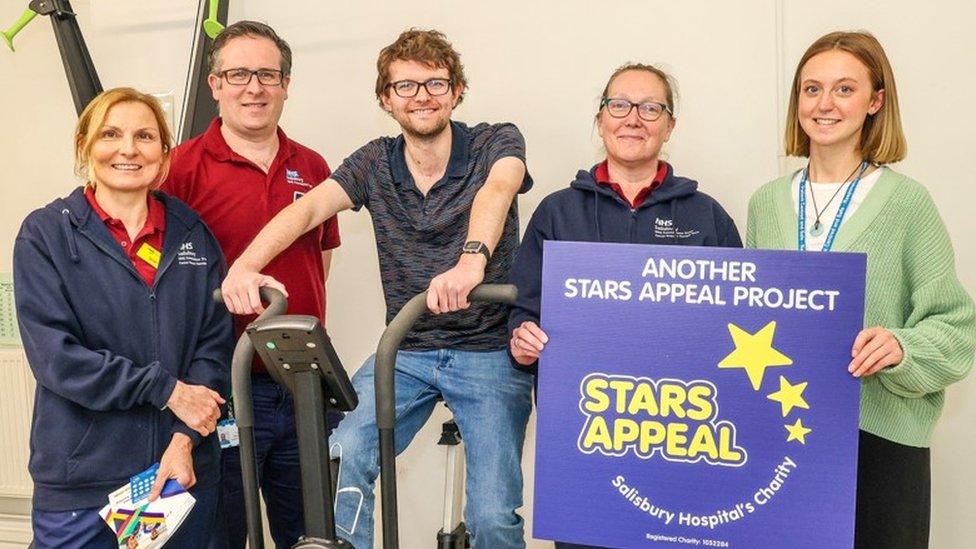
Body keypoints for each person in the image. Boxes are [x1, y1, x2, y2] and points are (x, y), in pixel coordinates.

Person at [221, 28, 534, 548]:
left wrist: (471, 261)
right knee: (341, 454)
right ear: (386, 100)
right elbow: (306, 210)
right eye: (406, 86)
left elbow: (499, 188)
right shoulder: (374, 162)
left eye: (436, 83)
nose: (422, 97)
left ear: (457, 91)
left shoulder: (494, 141)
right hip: (406, 348)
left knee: (492, 514)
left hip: (488, 350)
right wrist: (244, 267)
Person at [745, 31, 975, 549]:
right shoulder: (765, 204)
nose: (824, 104)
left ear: (875, 102)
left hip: (879, 439)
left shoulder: (907, 203)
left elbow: (957, 328)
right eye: (811, 89)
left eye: (844, 89)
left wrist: (902, 346)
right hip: (782, 434)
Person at [506, 63, 741, 549]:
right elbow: (525, 308)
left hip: (683, 438)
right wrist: (523, 339)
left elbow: (741, 324)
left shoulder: (707, 216)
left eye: (651, 107)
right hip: (586, 435)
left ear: (669, 125)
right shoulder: (557, 211)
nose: (633, 118)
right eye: (620, 105)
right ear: (601, 118)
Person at [13, 87, 233, 548]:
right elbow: (58, 359)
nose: (129, 149)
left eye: (145, 136)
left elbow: (213, 348)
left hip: (174, 475)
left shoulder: (193, 233)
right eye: (110, 134)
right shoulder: (46, 234)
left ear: (164, 154)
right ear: (85, 147)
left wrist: (184, 439)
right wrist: (165, 390)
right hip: (83, 479)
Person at [161, 21, 341, 548]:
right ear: (215, 85)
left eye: (267, 74)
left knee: (309, 533)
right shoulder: (180, 169)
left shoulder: (312, 166)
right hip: (222, 388)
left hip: (304, 384)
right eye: (238, 74)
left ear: (286, 84)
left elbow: (319, 264)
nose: (254, 87)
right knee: (222, 532)